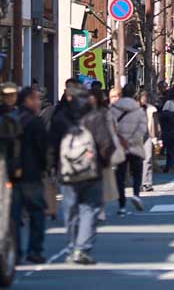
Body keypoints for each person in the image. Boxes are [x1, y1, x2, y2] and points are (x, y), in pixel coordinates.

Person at [48, 77, 115, 265]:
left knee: (70, 211)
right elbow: (106, 144)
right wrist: (103, 163)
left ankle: (71, 247)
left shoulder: (60, 118)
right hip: (92, 172)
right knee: (90, 209)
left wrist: (54, 167)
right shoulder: (94, 117)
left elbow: (52, 145)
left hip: (67, 171)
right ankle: (82, 248)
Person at [11, 86, 50, 265]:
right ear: (27, 101)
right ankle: (35, 251)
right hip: (32, 174)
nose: (38, 102)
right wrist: (45, 168)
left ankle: (15, 253)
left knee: (14, 216)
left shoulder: (10, 120)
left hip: (11, 175)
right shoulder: (35, 122)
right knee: (37, 213)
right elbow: (43, 148)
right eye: (35, 99)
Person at [109, 84, 149, 214]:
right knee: (136, 172)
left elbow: (109, 126)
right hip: (135, 146)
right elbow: (143, 129)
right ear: (133, 95)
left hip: (119, 146)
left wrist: (120, 139)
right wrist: (132, 140)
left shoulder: (113, 108)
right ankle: (136, 194)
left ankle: (122, 205)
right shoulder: (138, 110)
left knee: (120, 175)